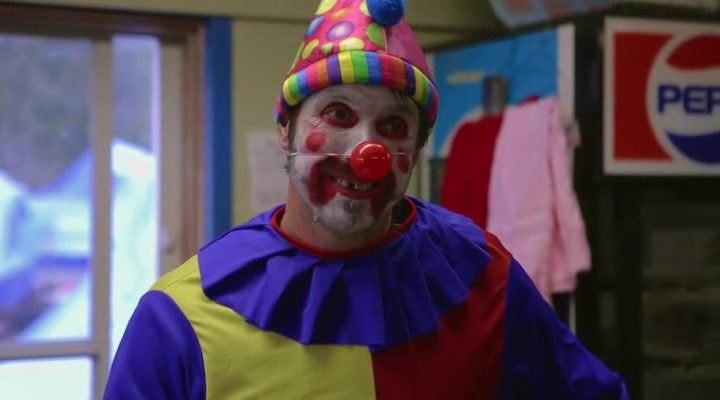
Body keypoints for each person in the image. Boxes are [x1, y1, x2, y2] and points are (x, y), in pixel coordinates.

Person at [104, 0, 629, 398]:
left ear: (415, 151)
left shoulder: (481, 276)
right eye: (338, 114)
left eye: (393, 125)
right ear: (286, 130)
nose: (366, 152)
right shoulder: (179, 318)